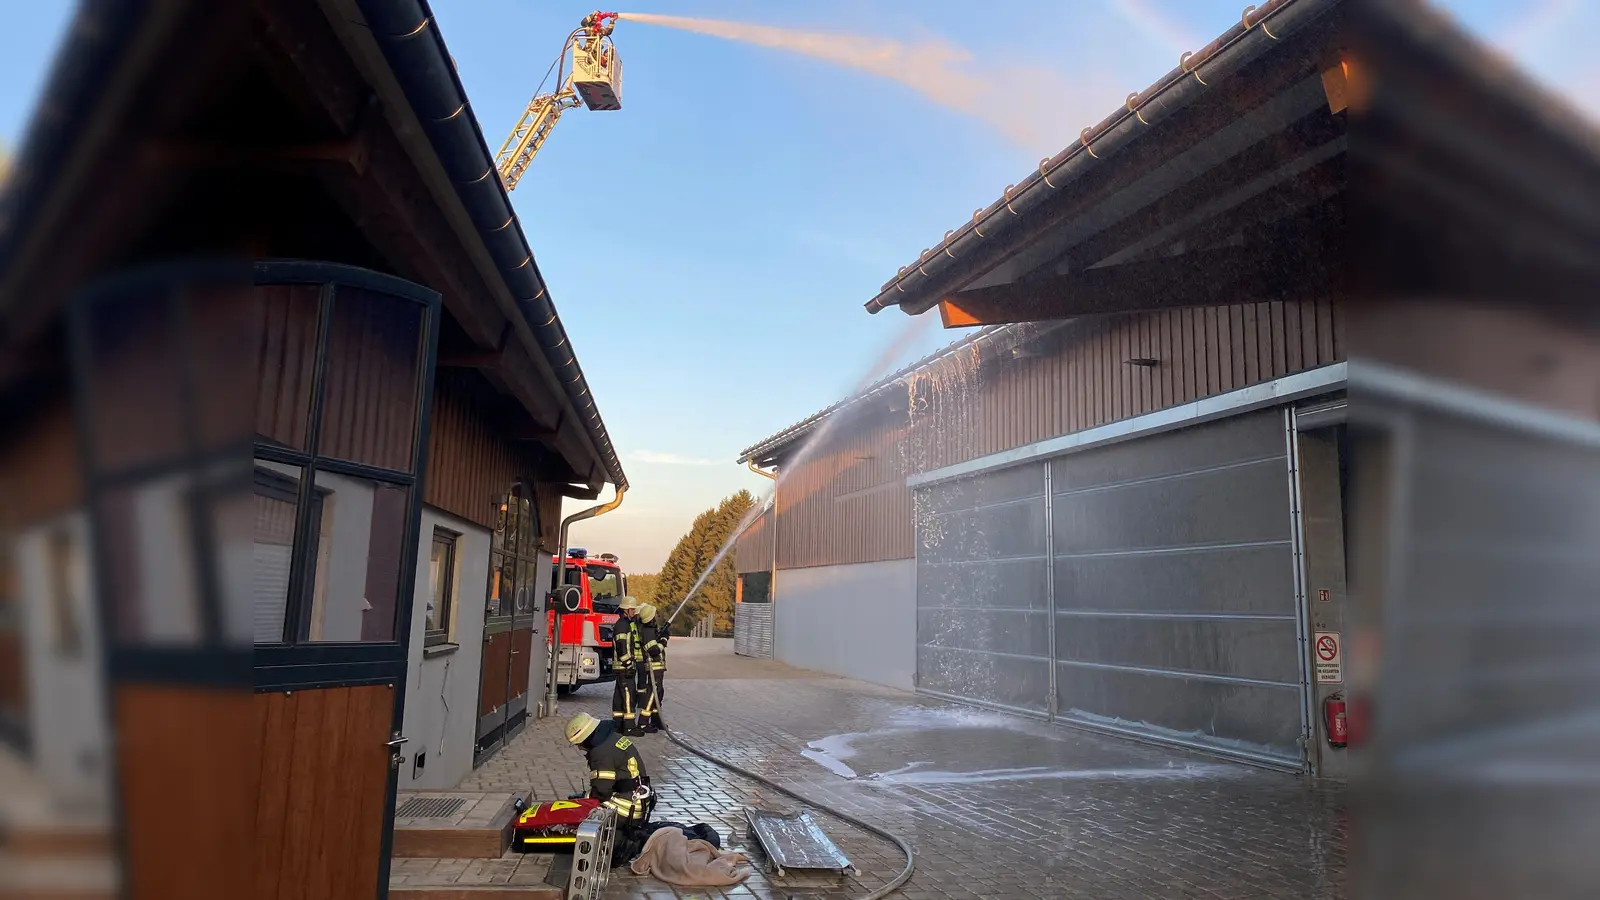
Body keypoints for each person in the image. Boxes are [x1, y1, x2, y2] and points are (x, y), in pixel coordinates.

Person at [564, 712, 655, 863]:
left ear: (586, 738)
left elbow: (602, 791)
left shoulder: (600, 753)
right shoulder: (612, 738)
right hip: (640, 799)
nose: (580, 749)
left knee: (584, 814)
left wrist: (582, 799)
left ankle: (607, 847)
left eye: (579, 744)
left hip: (627, 807)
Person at [610, 596, 648, 735]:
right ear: (626, 610)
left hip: (621, 666)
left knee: (619, 696)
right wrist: (627, 663)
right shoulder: (622, 626)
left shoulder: (624, 624)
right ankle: (629, 727)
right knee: (628, 695)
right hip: (623, 667)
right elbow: (621, 646)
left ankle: (618, 725)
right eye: (632, 609)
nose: (633, 612)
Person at [636, 603, 666, 732]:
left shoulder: (650, 630)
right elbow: (653, 650)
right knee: (652, 694)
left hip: (657, 667)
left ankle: (657, 721)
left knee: (658, 694)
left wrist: (663, 635)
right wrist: (663, 643)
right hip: (654, 667)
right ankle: (643, 722)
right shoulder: (647, 631)